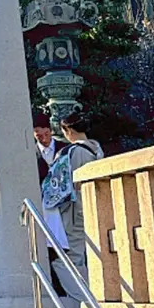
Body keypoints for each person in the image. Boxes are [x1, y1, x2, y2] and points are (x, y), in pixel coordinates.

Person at [40, 109, 104, 277]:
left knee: (66, 261)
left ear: (67, 130)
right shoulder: (96, 149)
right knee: (87, 256)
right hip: (93, 207)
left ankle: (85, 292)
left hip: (73, 211)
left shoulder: (71, 152)